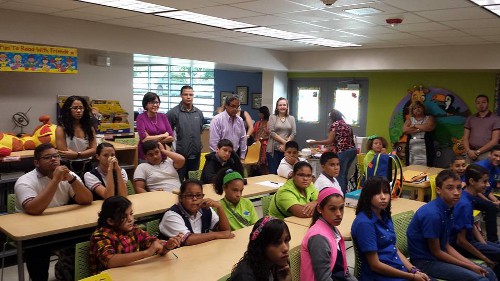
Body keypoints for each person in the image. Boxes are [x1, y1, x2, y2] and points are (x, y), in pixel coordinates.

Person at [14, 143, 93, 281]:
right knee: (37, 250)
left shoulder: (69, 175)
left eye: (56, 156)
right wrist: (55, 180)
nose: (54, 159)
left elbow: (86, 199)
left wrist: (72, 179)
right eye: (47, 157)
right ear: (36, 163)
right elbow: (34, 209)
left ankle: (74, 273)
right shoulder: (24, 181)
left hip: (61, 226)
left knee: (92, 235)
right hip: (32, 231)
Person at [407, 170, 495, 281]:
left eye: (459, 188)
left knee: (488, 272)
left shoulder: (449, 208)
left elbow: (446, 246)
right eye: (450, 188)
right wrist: (469, 266)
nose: (456, 192)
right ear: (438, 190)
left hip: (439, 257)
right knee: (480, 279)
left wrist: (472, 265)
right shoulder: (433, 214)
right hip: (426, 262)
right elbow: (437, 252)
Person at [351, 177, 430, 281]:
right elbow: (375, 265)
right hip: (381, 277)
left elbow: (394, 249)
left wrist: (414, 270)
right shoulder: (364, 223)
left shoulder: (384, 215)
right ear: (368, 196)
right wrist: (411, 277)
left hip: (398, 270)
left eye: (386, 192)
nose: (383, 197)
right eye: (377, 193)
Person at [89, 196, 182, 274]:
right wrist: (146, 253)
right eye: (123, 217)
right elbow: (110, 261)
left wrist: (167, 246)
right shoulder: (100, 236)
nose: (130, 219)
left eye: (131, 214)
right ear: (110, 221)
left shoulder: (134, 230)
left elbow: (154, 244)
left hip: (132, 274)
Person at [450, 164, 500, 276]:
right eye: (484, 181)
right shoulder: (464, 204)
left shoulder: (468, 198)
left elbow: (470, 224)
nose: (487, 185)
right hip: (460, 246)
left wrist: (485, 244)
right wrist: (484, 258)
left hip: (472, 241)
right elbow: (460, 241)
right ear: (472, 181)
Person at [301, 187, 357, 281]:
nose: (339, 213)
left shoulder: (333, 229)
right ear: (319, 209)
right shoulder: (318, 238)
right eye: (332, 209)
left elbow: (344, 271)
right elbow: (324, 278)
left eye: (341, 208)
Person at [159, 179, 234, 246]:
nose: (195, 199)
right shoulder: (171, 215)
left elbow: (225, 231)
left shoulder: (206, 209)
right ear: (181, 197)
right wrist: (217, 235)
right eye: (189, 195)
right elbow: (188, 240)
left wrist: (220, 208)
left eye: (198, 195)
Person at [308, 109, 356, 194]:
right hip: (352, 151)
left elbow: (329, 140)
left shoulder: (335, 125)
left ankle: (339, 195)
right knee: (344, 174)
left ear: (332, 117)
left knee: (339, 175)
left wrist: (315, 142)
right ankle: (344, 194)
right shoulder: (347, 125)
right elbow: (344, 139)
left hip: (343, 151)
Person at [230, 216, 292, 281]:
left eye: (286, 240)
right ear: (261, 246)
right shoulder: (245, 277)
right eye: (276, 243)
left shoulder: (280, 263)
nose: (285, 248)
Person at [166, 85, 204, 181]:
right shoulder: (172, 113)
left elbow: (199, 131)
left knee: (193, 183)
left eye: (191, 94)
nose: (188, 97)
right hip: (180, 155)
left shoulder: (198, 113)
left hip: (195, 155)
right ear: (181, 95)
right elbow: (167, 135)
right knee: (178, 182)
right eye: (185, 94)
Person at [55, 95, 97, 179]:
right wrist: (85, 152)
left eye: (81, 108)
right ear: (68, 110)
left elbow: (94, 150)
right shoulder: (61, 128)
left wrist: (77, 154)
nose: (79, 111)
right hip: (67, 166)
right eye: (75, 108)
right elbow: (64, 152)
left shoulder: (89, 127)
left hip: (87, 165)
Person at [136, 92, 174, 161]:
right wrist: (164, 135)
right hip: (147, 155)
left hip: (162, 154)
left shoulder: (163, 116)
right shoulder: (141, 117)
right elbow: (144, 140)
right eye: (152, 103)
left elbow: (171, 137)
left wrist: (150, 138)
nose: (155, 105)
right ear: (146, 105)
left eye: (157, 102)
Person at [473, 144, 500, 243]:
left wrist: (495, 200)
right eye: (495, 155)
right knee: (491, 207)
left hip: (483, 194)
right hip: (471, 196)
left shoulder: (496, 168)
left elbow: (487, 190)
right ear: (489, 154)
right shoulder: (480, 167)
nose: (498, 159)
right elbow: (475, 190)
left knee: (495, 203)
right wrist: (490, 202)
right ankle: (493, 240)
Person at [463, 95, 500, 162]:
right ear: (476, 105)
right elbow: (465, 137)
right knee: (467, 171)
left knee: (482, 171)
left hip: (485, 153)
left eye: (483, 102)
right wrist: (468, 151)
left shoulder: (496, 119)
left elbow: (495, 141)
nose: (481, 104)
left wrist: (478, 152)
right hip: (470, 152)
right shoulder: (470, 118)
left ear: (488, 103)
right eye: (478, 103)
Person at [210, 95, 247, 160]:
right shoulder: (217, 120)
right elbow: (214, 142)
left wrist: (242, 156)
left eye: (237, 107)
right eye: (232, 106)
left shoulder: (240, 120)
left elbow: (243, 139)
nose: (235, 109)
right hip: (221, 156)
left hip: (235, 155)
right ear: (226, 106)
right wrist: (217, 159)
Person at [266, 97, 296, 175]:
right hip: (273, 149)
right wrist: (285, 142)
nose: (282, 107)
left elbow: (293, 133)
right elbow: (271, 132)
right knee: (273, 173)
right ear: (277, 107)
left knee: (284, 173)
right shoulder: (272, 117)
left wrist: (286, 144)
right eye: (280, 105)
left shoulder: (291, 118)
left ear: (287, 106)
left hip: (286, 150)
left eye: (284, 105)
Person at [403, 101, 436, 166]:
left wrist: (414, 126)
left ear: (423, 108)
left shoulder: (429, 118)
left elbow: (429, 127)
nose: (417, 109)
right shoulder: (409, 120)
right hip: (412, 147)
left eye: (419, 107)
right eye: (414, 108)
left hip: (426, 146)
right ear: (412, 111)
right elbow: (405, 130)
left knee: (428, 166)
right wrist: (420, 129)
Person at [253, 106, 271, 175]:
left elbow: (271, 135)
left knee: (266, 164)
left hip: (265, 146)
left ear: (263, 114)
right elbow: (254, 132)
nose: (259, 114)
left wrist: (262, 139)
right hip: (258, 146)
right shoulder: (258, 123)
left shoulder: (269, 123)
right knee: (260, 165)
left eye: (260, 113)